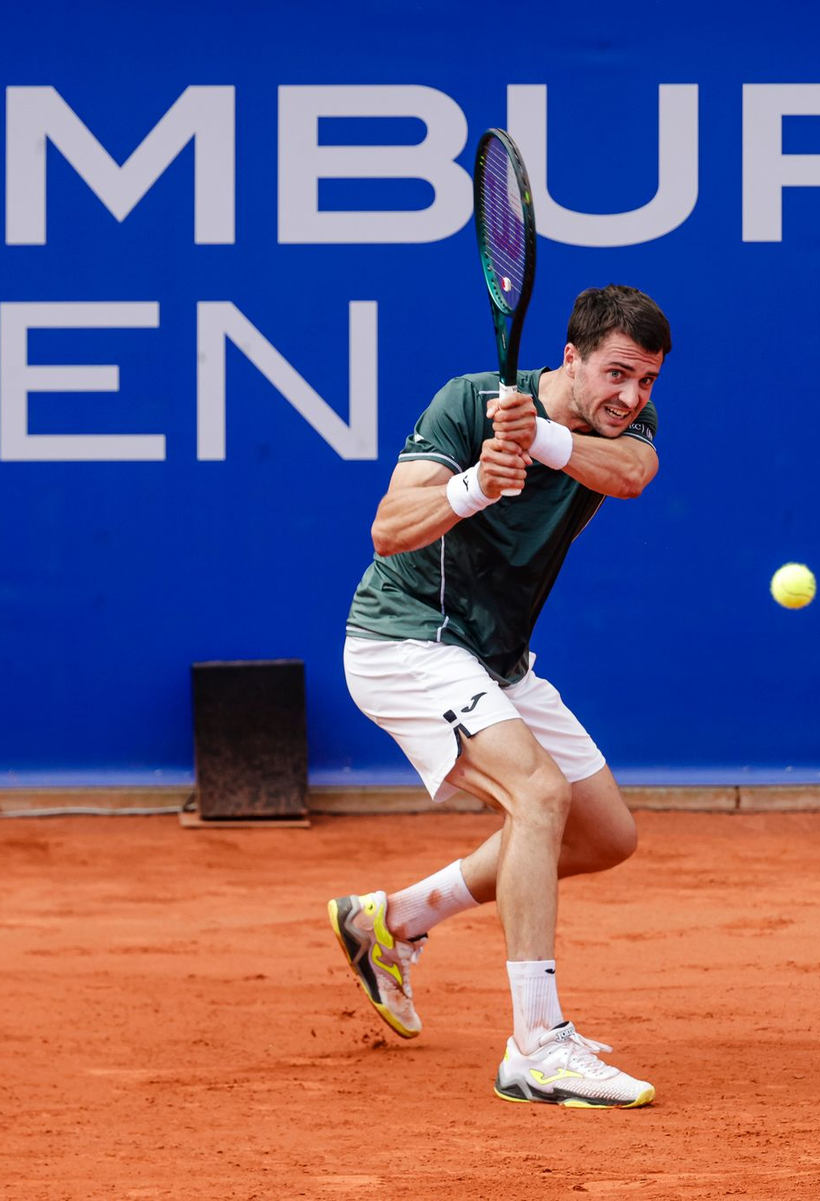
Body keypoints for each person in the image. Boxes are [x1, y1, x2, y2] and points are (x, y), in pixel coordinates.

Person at [327, 284, 670, 1109]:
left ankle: (395, 919)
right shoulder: (465, 402)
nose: (631, 396)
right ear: (571, 357)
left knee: (604, 834)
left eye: (647, 380)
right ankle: (537, 1046)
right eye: (617, 373)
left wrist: (542, 438)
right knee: (538, 793)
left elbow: (633, 474)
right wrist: (476, 484)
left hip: (496, 658)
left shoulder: (617, 430)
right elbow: (388, 528)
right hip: (409, 638)